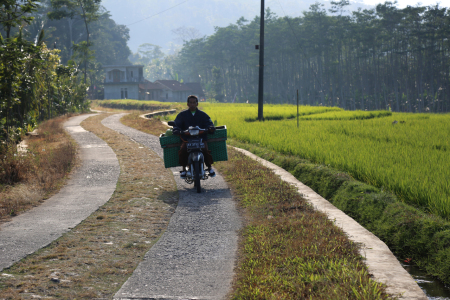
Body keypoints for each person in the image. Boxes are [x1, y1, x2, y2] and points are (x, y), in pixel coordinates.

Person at [173, 95, 216, 178]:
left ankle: (210, 167)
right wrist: (176, 129)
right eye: (190, 103)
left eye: (194, 102)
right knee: (183, 150)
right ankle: (184, 169)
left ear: (197, 104)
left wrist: (210, 128)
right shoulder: (182, 115)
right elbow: (176, 124)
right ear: (187, 104)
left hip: (201, 138)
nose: (192, 104)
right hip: (187, 139)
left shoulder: (203, 115)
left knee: (205, 150)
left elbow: (209, 123)